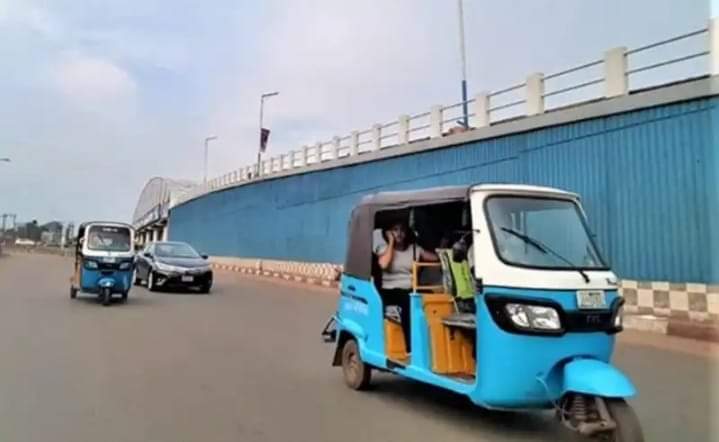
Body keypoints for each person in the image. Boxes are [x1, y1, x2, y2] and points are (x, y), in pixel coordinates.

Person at [374, 221, 438, 352]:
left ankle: (432, 345)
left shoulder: (414, 249)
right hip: (390, 291)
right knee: (408, 303)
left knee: (433, 298)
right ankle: (411, 348)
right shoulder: (384, 249)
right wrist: (391, 242)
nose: (399, 233)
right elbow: (384, 264)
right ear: (389, 233)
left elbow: (436, 258)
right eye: (395, 230)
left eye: (402, 230)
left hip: (411, 289)